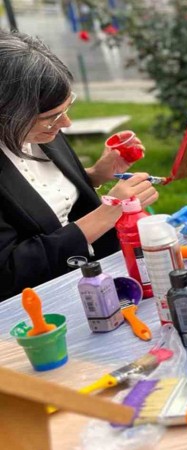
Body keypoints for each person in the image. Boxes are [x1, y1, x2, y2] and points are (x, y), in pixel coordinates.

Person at [0, 30, 158, 300]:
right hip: (45, 300)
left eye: (67, 107)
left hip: (105, 270)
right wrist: (107, 213)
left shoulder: (40, 131)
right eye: (51, 117)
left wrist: (96, 175)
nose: (66, 124)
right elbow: (8, 272)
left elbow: (37, 193)